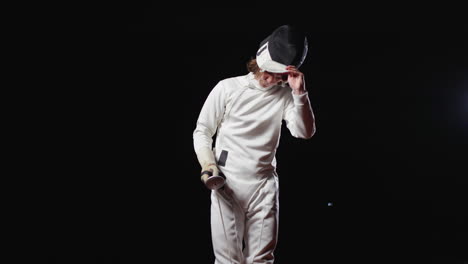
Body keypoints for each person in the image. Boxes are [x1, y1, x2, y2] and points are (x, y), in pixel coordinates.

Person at [193, 25, 316, 264]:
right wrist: (208, 163)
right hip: (227, 183)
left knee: (262, 259)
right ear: (258, 62)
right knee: (228, 260)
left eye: (278, 76)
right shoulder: (227, 88)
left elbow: (304, 133)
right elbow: (203, 130)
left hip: (263, 184)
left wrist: (300, 94)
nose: (271, 79)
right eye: (268, 72)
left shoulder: (286, 96)